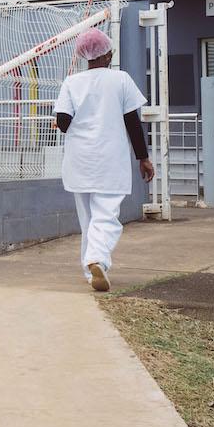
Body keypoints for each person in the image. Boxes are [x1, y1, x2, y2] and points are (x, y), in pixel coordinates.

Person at [53, 29, 155, 292]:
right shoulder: (121, 79)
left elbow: (63, 123)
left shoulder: (71, 82)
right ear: (107, 54)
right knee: (106, 216)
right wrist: (143, 158)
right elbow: (133, 123)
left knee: (88, 220)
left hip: (79, 161)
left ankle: (92, 271)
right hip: (110, 160)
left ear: (84, 56)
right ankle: (96, 260)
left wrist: (68, 121)